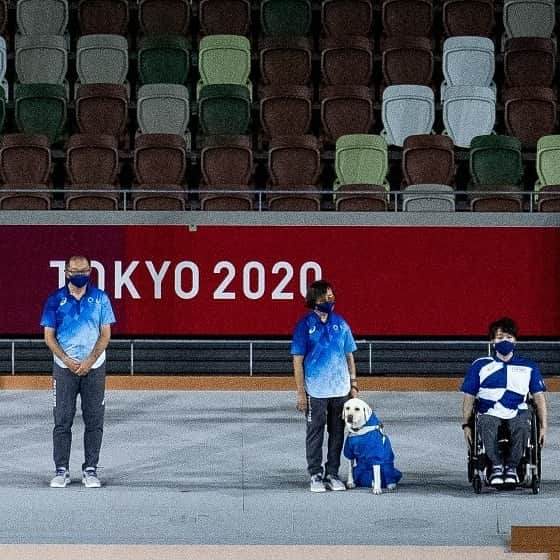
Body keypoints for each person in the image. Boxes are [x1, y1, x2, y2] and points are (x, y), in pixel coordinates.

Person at [40, 255, 116, 488]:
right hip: (65, 369)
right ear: (66, 272)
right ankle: (61, 470)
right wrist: (66, 359)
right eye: (75, 271)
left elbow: (106, 334)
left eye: (84, 270)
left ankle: (90, 469)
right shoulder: (54, 300)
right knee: (62, 420)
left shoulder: (101, 299)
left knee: (94, 420)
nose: (79, 274)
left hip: (94, 368)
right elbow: (48, 337)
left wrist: (90, 359)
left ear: (91, 271)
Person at [461, 317, 547, 486]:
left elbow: (539, 398)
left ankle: (513, 467)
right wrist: (466, 425)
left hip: (518, 410)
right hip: (489, 410)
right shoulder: (480, 365)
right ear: (493, 341)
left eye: (508, 337)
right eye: (500, 338)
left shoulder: (529, 366)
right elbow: (469, 396)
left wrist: (543, 426)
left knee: (522, 425)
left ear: (515, 340)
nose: (504, 341)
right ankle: (496, 466)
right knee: (486, 423)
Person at [291, 279, 359, 492]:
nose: (331, 299)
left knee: (338, 432)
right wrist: (301, 392)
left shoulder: (341, 323)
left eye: (332, 296)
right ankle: (315, 474)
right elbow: (297, 360)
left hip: (340, 389)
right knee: (315, 433)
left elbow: (349, 355)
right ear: (315, 300)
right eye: (326, 297)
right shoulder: (304, 326)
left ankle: (332, 473)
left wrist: (353, 383)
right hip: (316, 390)